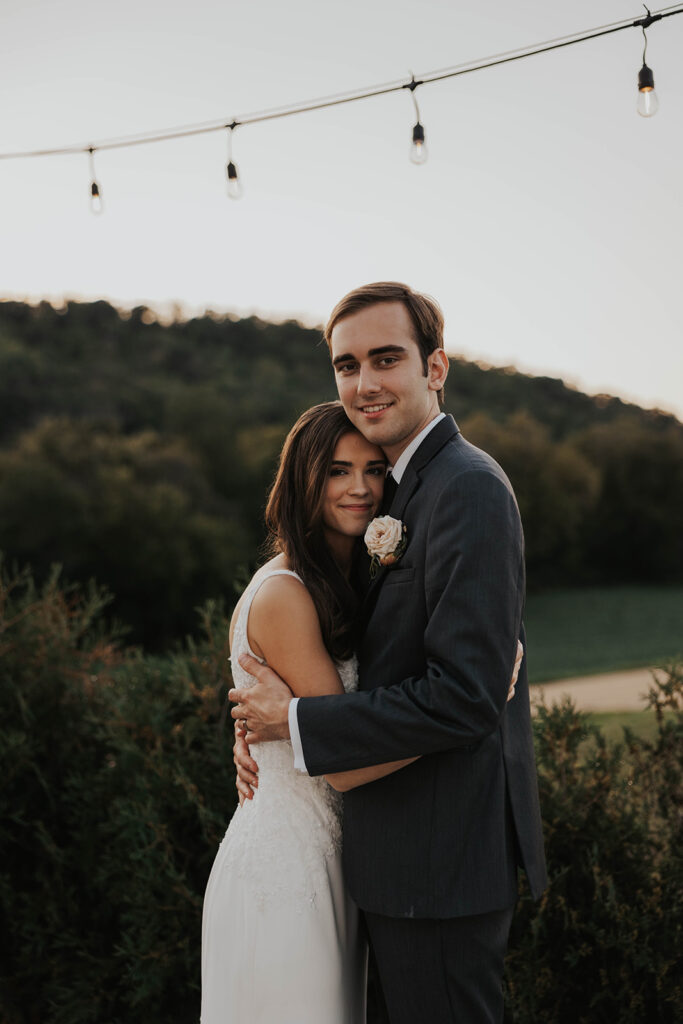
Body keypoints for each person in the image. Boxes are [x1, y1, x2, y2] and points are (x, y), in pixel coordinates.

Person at [231, 282, 547, 1024]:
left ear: (435, 366)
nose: (364, 383)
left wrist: (300, 726)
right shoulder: (398, 491)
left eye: (385, 358)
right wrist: (259, 729)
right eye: (346, 366)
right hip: (394, 862)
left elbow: (466, 695)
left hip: (437, 865)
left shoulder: (464, 487)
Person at [201, 401, 427, 1024]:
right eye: (336, 470)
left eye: (374, 469)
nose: (359, 488)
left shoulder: (340, 581)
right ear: (302, 479)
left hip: (330, 864)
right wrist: (465, 714)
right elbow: (345, 763)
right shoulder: (285, 593)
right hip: (285, 875)